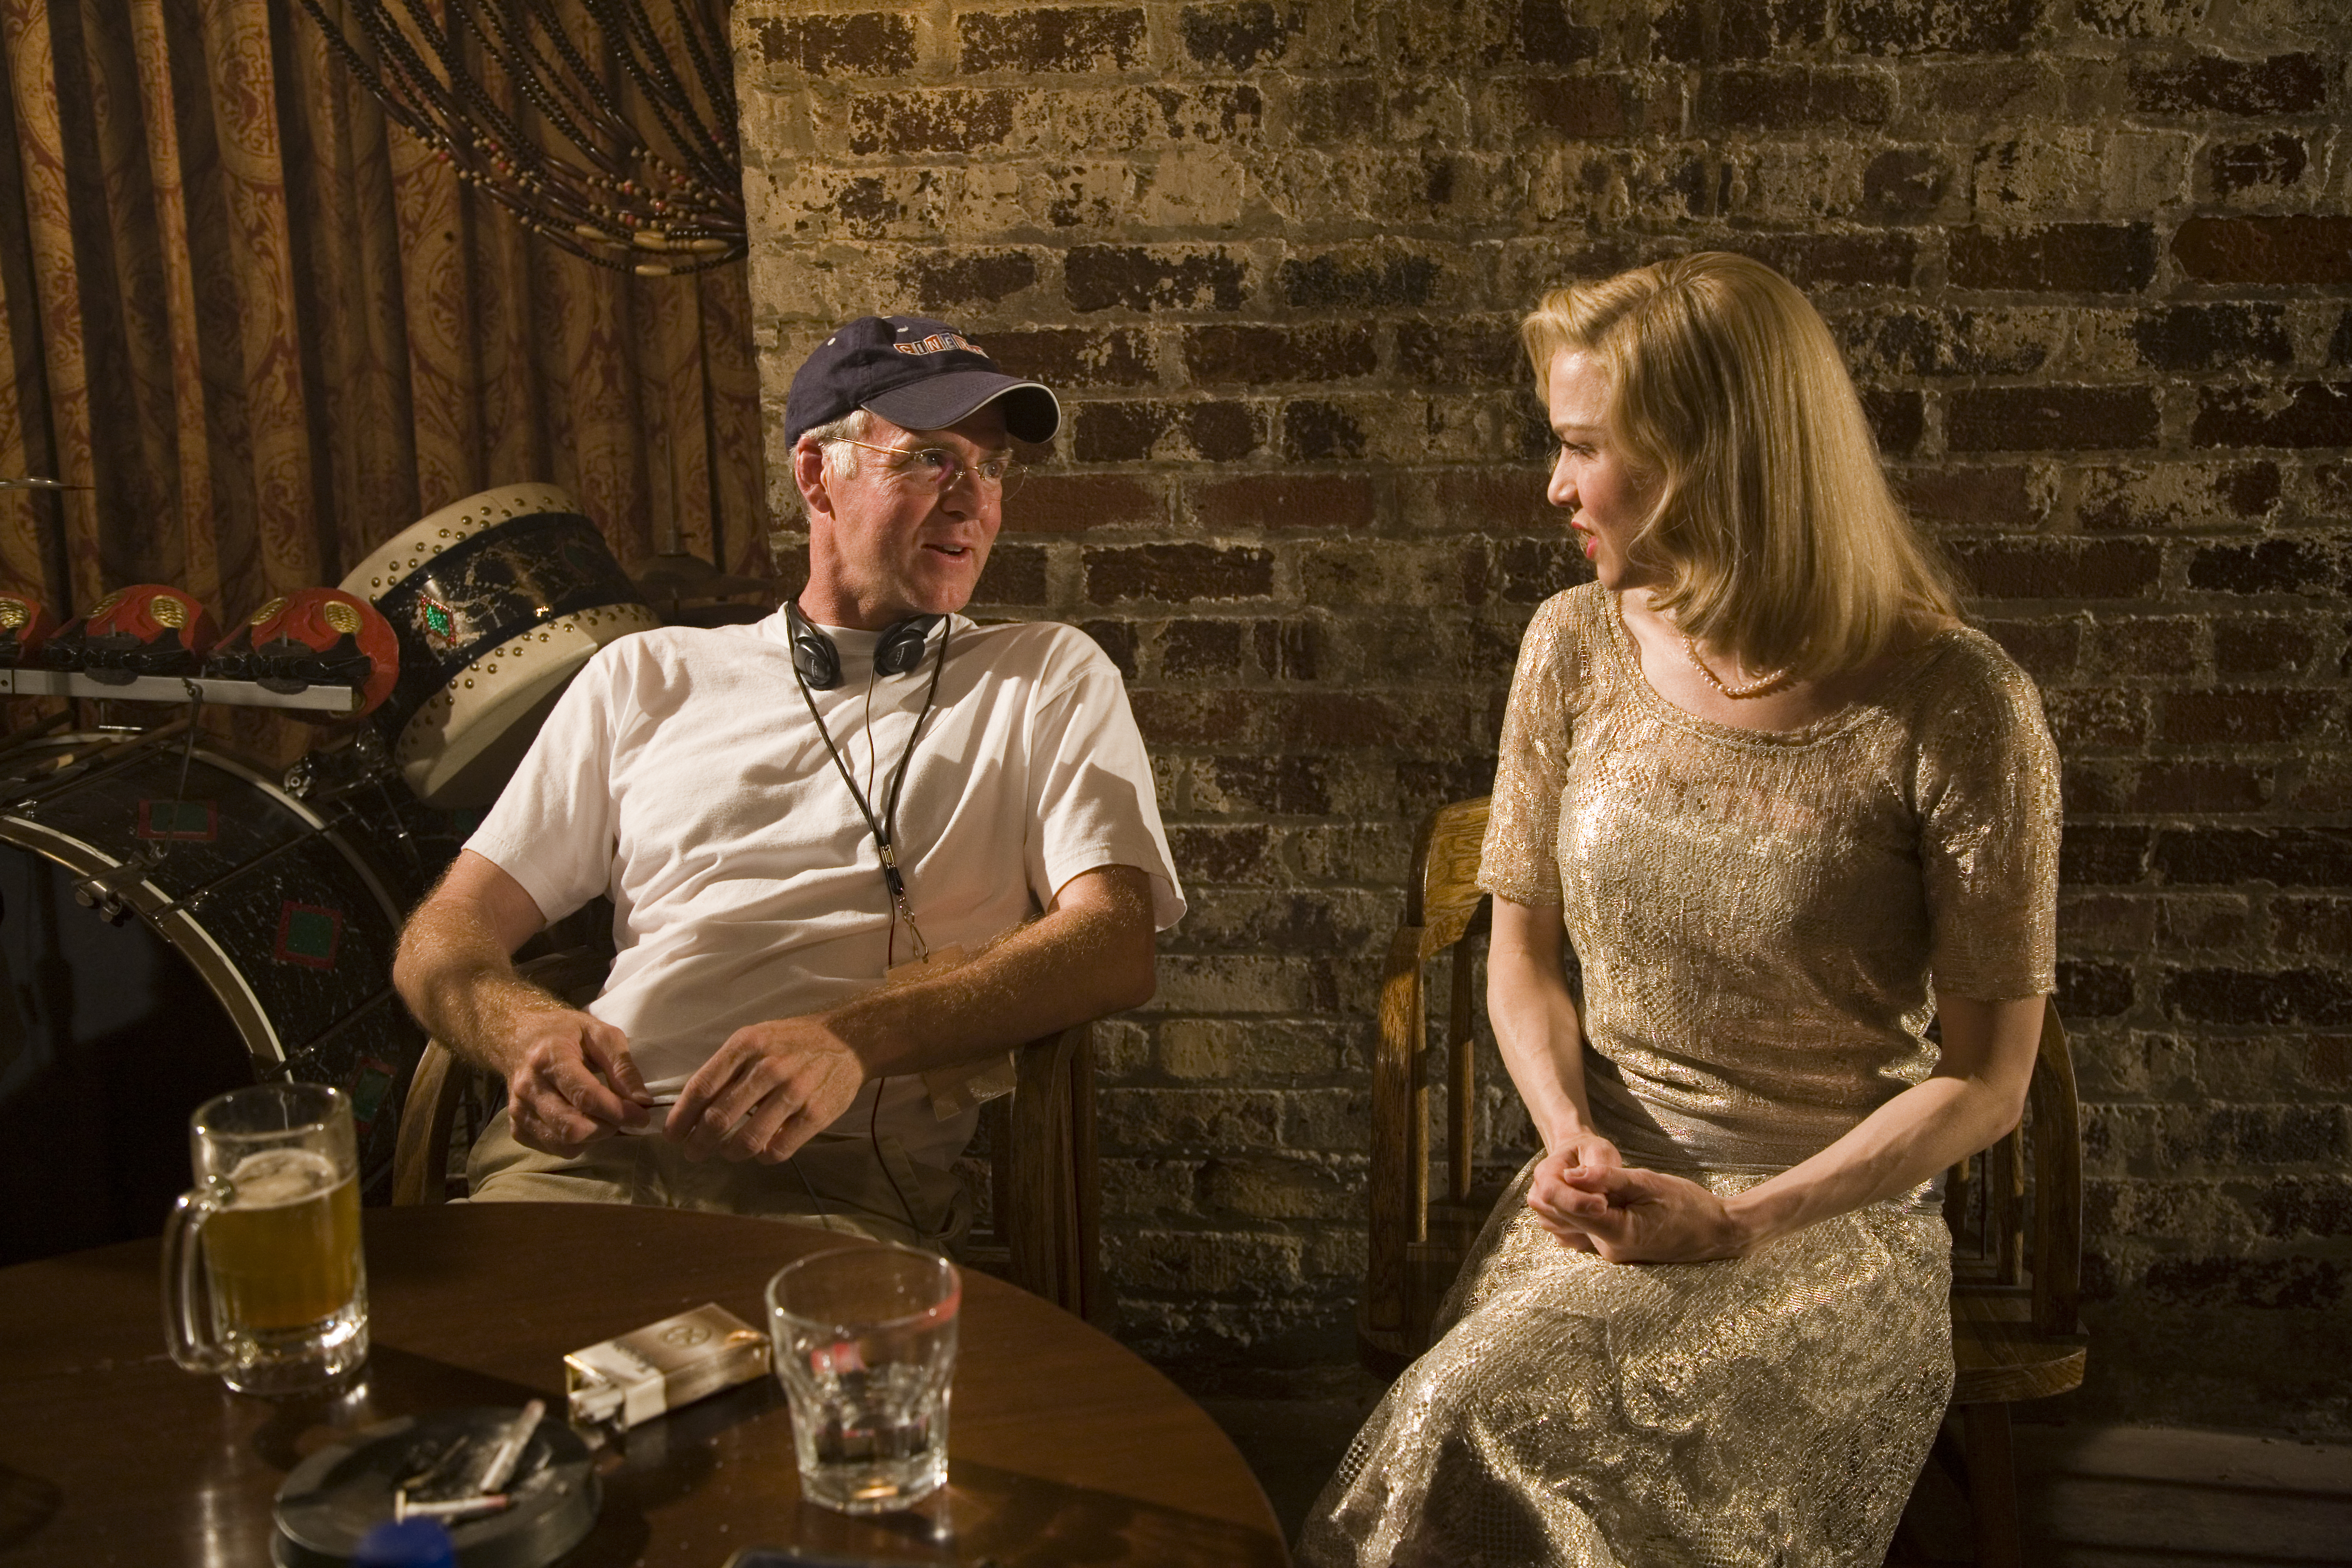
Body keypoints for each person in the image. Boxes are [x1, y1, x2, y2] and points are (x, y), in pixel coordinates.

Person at [1297, 253, 2060, 1566]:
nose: (1553, 485)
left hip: (1830, 1225)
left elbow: (1991, 1082)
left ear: (1715, 457)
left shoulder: (1958, 702)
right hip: (1607, 1186)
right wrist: (1572, 1137)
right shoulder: (1572, 644)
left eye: (1583, 447)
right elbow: (1520, 955)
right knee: (1451, 1427)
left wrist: (1744, 1220)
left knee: (1511, 1443)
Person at [392, 314, 1184, 1245]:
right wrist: (518, 1028)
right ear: (817, 473)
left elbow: (1113, 943)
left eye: (993, 465)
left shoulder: (1045, 674)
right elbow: (444, 938)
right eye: (929, 459)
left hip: (826, 1188)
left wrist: (852, 1039)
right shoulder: (646, 675)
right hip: (574, 1172)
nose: (973, 502)